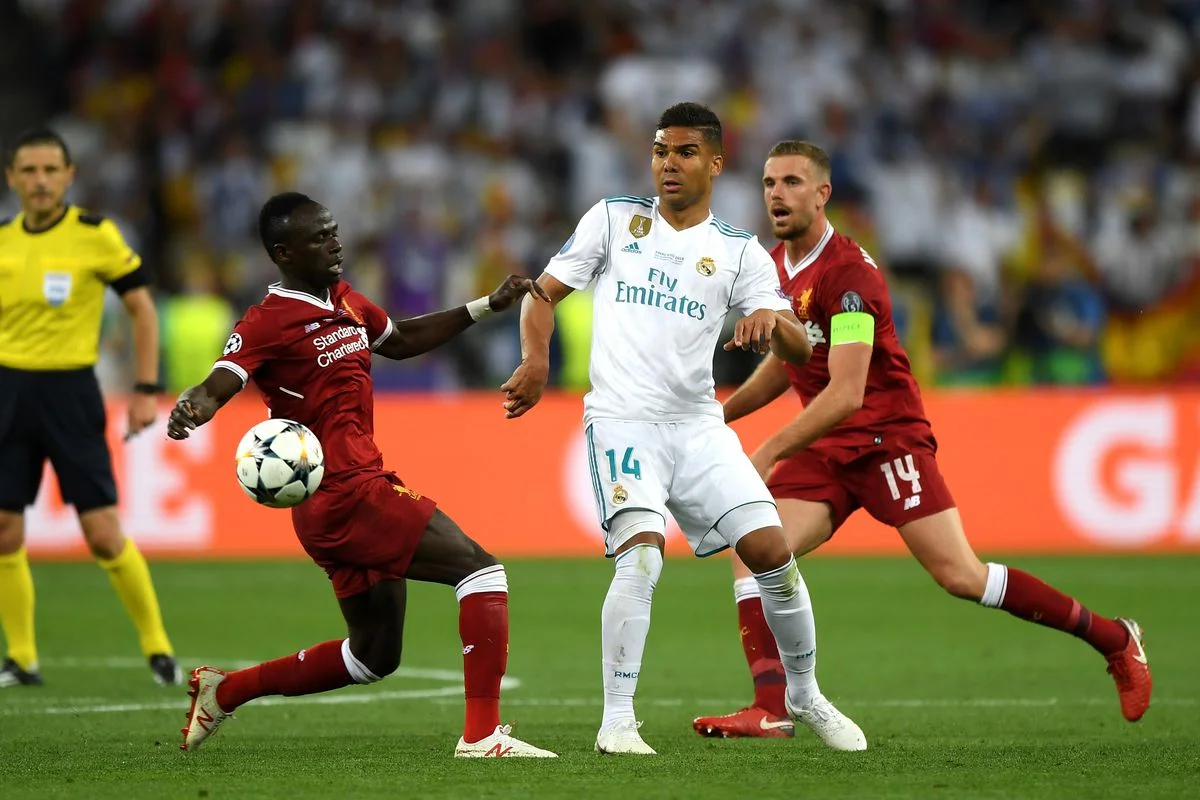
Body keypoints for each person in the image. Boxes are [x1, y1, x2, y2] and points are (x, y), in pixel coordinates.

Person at [691, 141, 1152, 739]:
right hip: (826, 447)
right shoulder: (774, 267)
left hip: (886, 440)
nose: (777, 194)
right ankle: (771, 708)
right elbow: (790, 361)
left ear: (823, 193)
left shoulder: (850, 276)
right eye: (769, 183)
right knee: (754, 549)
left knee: (962, 576)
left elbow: (847, 392)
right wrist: (721, 414)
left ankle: (1114, 639)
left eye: (792, 182)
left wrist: (770, 448)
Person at [501, 103, 866, 754]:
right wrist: (535, 359)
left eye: (685, 152)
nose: (669, 163)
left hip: (698, 427)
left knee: (771, 551)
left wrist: (773, 324)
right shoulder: (612, 220)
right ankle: (617, 722)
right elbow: (542, 294)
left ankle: (804, 694)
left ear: (716, 164)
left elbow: (802, 348)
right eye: (660, 151)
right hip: (623, 422)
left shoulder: (738, 251)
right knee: (642, 553)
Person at [167, 192, 557, 759]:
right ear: (283, 252)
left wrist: (484, 306)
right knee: (482, 572)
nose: (335, 243)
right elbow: (220, 380)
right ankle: (482, 736)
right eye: (320, 237)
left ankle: (225, 691)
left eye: (333, 232)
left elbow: (400, 340)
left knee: (372, 656)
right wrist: (193, 406)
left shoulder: (345, 299)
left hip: (344, 495)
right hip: (343, 492)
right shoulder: (266, 320)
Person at [0, 126, 180, 689]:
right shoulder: (2, 240)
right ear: (11, 178)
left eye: (51, 170)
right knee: (3, 529)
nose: (40, 181)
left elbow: (143, 309)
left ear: (69, 176)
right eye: (29, 171)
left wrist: (146, 389)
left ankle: (157, 646)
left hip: (70, 393)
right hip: (7, 393)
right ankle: (22, 658)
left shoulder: (95, 235)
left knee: (102, 532)